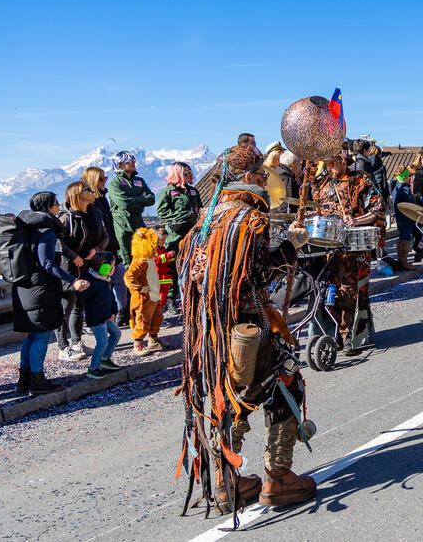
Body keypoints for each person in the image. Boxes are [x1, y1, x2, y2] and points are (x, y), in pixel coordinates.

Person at [177, 143, 314, 515]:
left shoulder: (203, 222)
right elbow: (259, 274)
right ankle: (278, 478)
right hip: (247, 328)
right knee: (286, 387)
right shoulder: (250, 220)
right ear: (252, 177)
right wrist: (291, 246)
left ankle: (224, 483)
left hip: (207, 335)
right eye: (260, 174)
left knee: (226, 398)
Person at [302, 150, 385, 354]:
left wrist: (357, 220)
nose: (329, 168)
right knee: (329, 291)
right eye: (327, 164)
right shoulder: (321, 184)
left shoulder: (360, 180)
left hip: (353, 249)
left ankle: (351, 336)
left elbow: (378, 209)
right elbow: (317, 209)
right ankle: (334, 333)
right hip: (327, 248)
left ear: (342, 161)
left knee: (349, 291)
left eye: (333, 164)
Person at [13, 192, 88, 396]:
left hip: (26, 287)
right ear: (48, 208)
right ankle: (37, 380)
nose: (59, 206)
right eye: (56, 204)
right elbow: (47, 263)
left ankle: (24, 379)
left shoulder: (28, 228)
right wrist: (72, 280)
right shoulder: (46, 231)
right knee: (43, 334)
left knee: (33, 334)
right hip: (41, 289)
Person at [57, 182, 111, 362]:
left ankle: (76, 341)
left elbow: (105, 236)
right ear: (77, 195)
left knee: (80, 305)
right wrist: (73, 257)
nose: (92, 192)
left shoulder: (95, 212)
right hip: (70, 267)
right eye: (87, 190)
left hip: (88, 264)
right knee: (66, 306)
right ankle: (63, 346)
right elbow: (58, 243)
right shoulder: (66, 217)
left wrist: (95, 251)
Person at [107, 151, 156, 325]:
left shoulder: (139, 180)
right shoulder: (114, 183)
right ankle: (127, 310)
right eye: (129, 161)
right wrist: (139, 199)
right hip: (122, 227)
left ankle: (144, 306)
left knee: (143, 263)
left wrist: (135, 200)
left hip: (139, 225)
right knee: (129, 267)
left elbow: (151, 199)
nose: (134, 163)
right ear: (120, 165)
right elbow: (123, 203)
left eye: (134, 160)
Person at [83, 166, 129, 326]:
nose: (105, 181)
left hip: (110, 252)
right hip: (101, 256)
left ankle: (120, 313)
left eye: (105, 178)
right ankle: (100, 319)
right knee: (104, 283)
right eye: (101, 179)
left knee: (119, 279)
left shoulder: (102, 199)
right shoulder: (92, 204)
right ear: (94, 180)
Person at [156, 161, 201, 312]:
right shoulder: (168, 192)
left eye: (190, 172)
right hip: (175, 234)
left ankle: (191, 297)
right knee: (172, 268)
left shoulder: (193, 191)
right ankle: (171, 299)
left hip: (193, 234)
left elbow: (200, 209)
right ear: (178, 174)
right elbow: (162, 212)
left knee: (193, 265)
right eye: (185, 173)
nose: (189, 175)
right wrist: (182, 214)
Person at [124, 227, 166, 356]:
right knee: (143, 320)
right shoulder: (140, 260)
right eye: (153, 245)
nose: (156, 248)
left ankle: (153, 340)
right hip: (144, 298)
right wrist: (140, 288)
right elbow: (128, 277)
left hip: (153, 295)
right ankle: (138, 344)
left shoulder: (149, 258)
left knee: (156, 318)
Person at [81, 251, 124, 379]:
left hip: (107, 316)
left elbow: (111, 297)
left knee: (116, 333)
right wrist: (81, 288)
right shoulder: (90, 281)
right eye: (112, 266)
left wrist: (113, 312)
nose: (114, 268)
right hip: (96, 318)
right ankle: (93, 367)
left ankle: (105, 359)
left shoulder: (106, 280)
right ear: (103, 268)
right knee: (102, 342)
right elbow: (82, 297)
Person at [390, 166, 417, 271]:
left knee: (402, 237)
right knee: (406, 237)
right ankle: (404, 262)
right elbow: (409, 204)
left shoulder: (396, 187)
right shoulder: (405, 188)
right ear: (405, 177)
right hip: (406, 217)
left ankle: (401, 260)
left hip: (399, 216)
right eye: (408, 176)